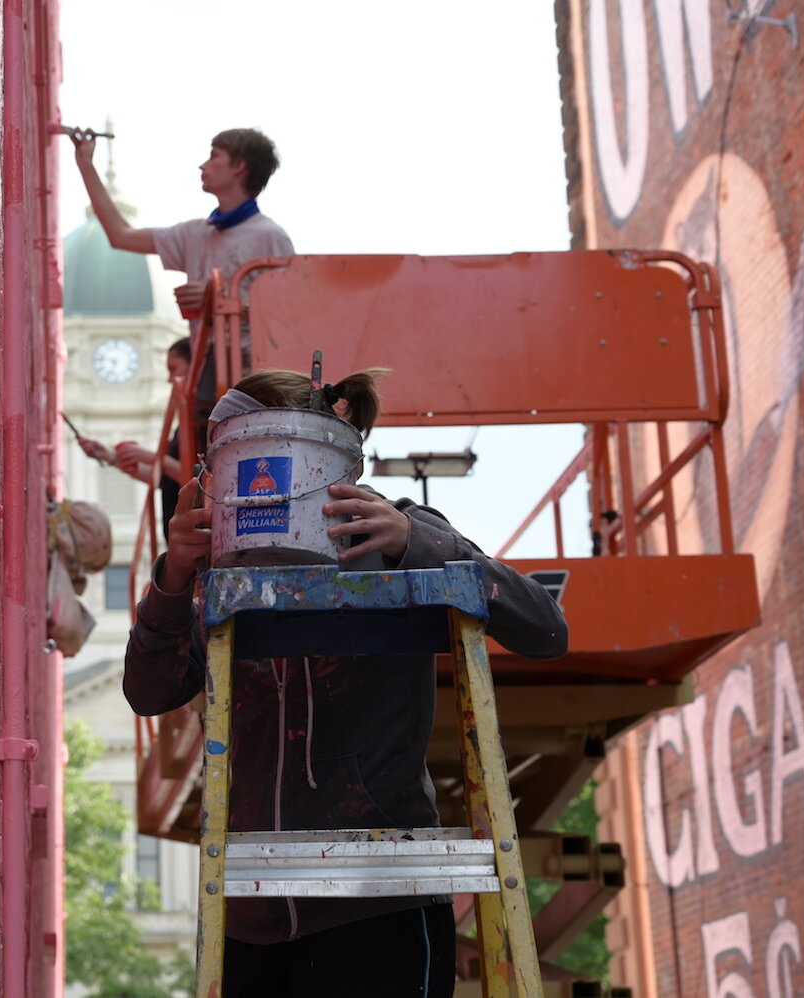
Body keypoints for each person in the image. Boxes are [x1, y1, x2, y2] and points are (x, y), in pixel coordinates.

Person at [123, 368, 569, 998]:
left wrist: (416, 542)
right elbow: (147, 692)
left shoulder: (399, 529)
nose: (227, 481)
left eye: (241, 456)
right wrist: (172, 579)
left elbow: (546, 630)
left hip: (378, 898)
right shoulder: (218, 575)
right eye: (219, 461)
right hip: (252, 911)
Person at [72, 128, 295, 450]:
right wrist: (85, 165)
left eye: (214, 156)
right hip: (208, 371)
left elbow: (289, 316)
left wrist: (217, 302)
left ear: (239, 167)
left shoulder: (270, 237)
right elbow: (120, 235)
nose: (203, 165)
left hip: (255, 371)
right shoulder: (195, 234)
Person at [76, 338, 193, 537]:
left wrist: (151, 457)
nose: (169, 379)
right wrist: (111, 458)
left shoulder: (199, 424)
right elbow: (166, 479)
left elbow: (194, 479)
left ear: (194, 367)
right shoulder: (183, 427)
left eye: (173, 369)